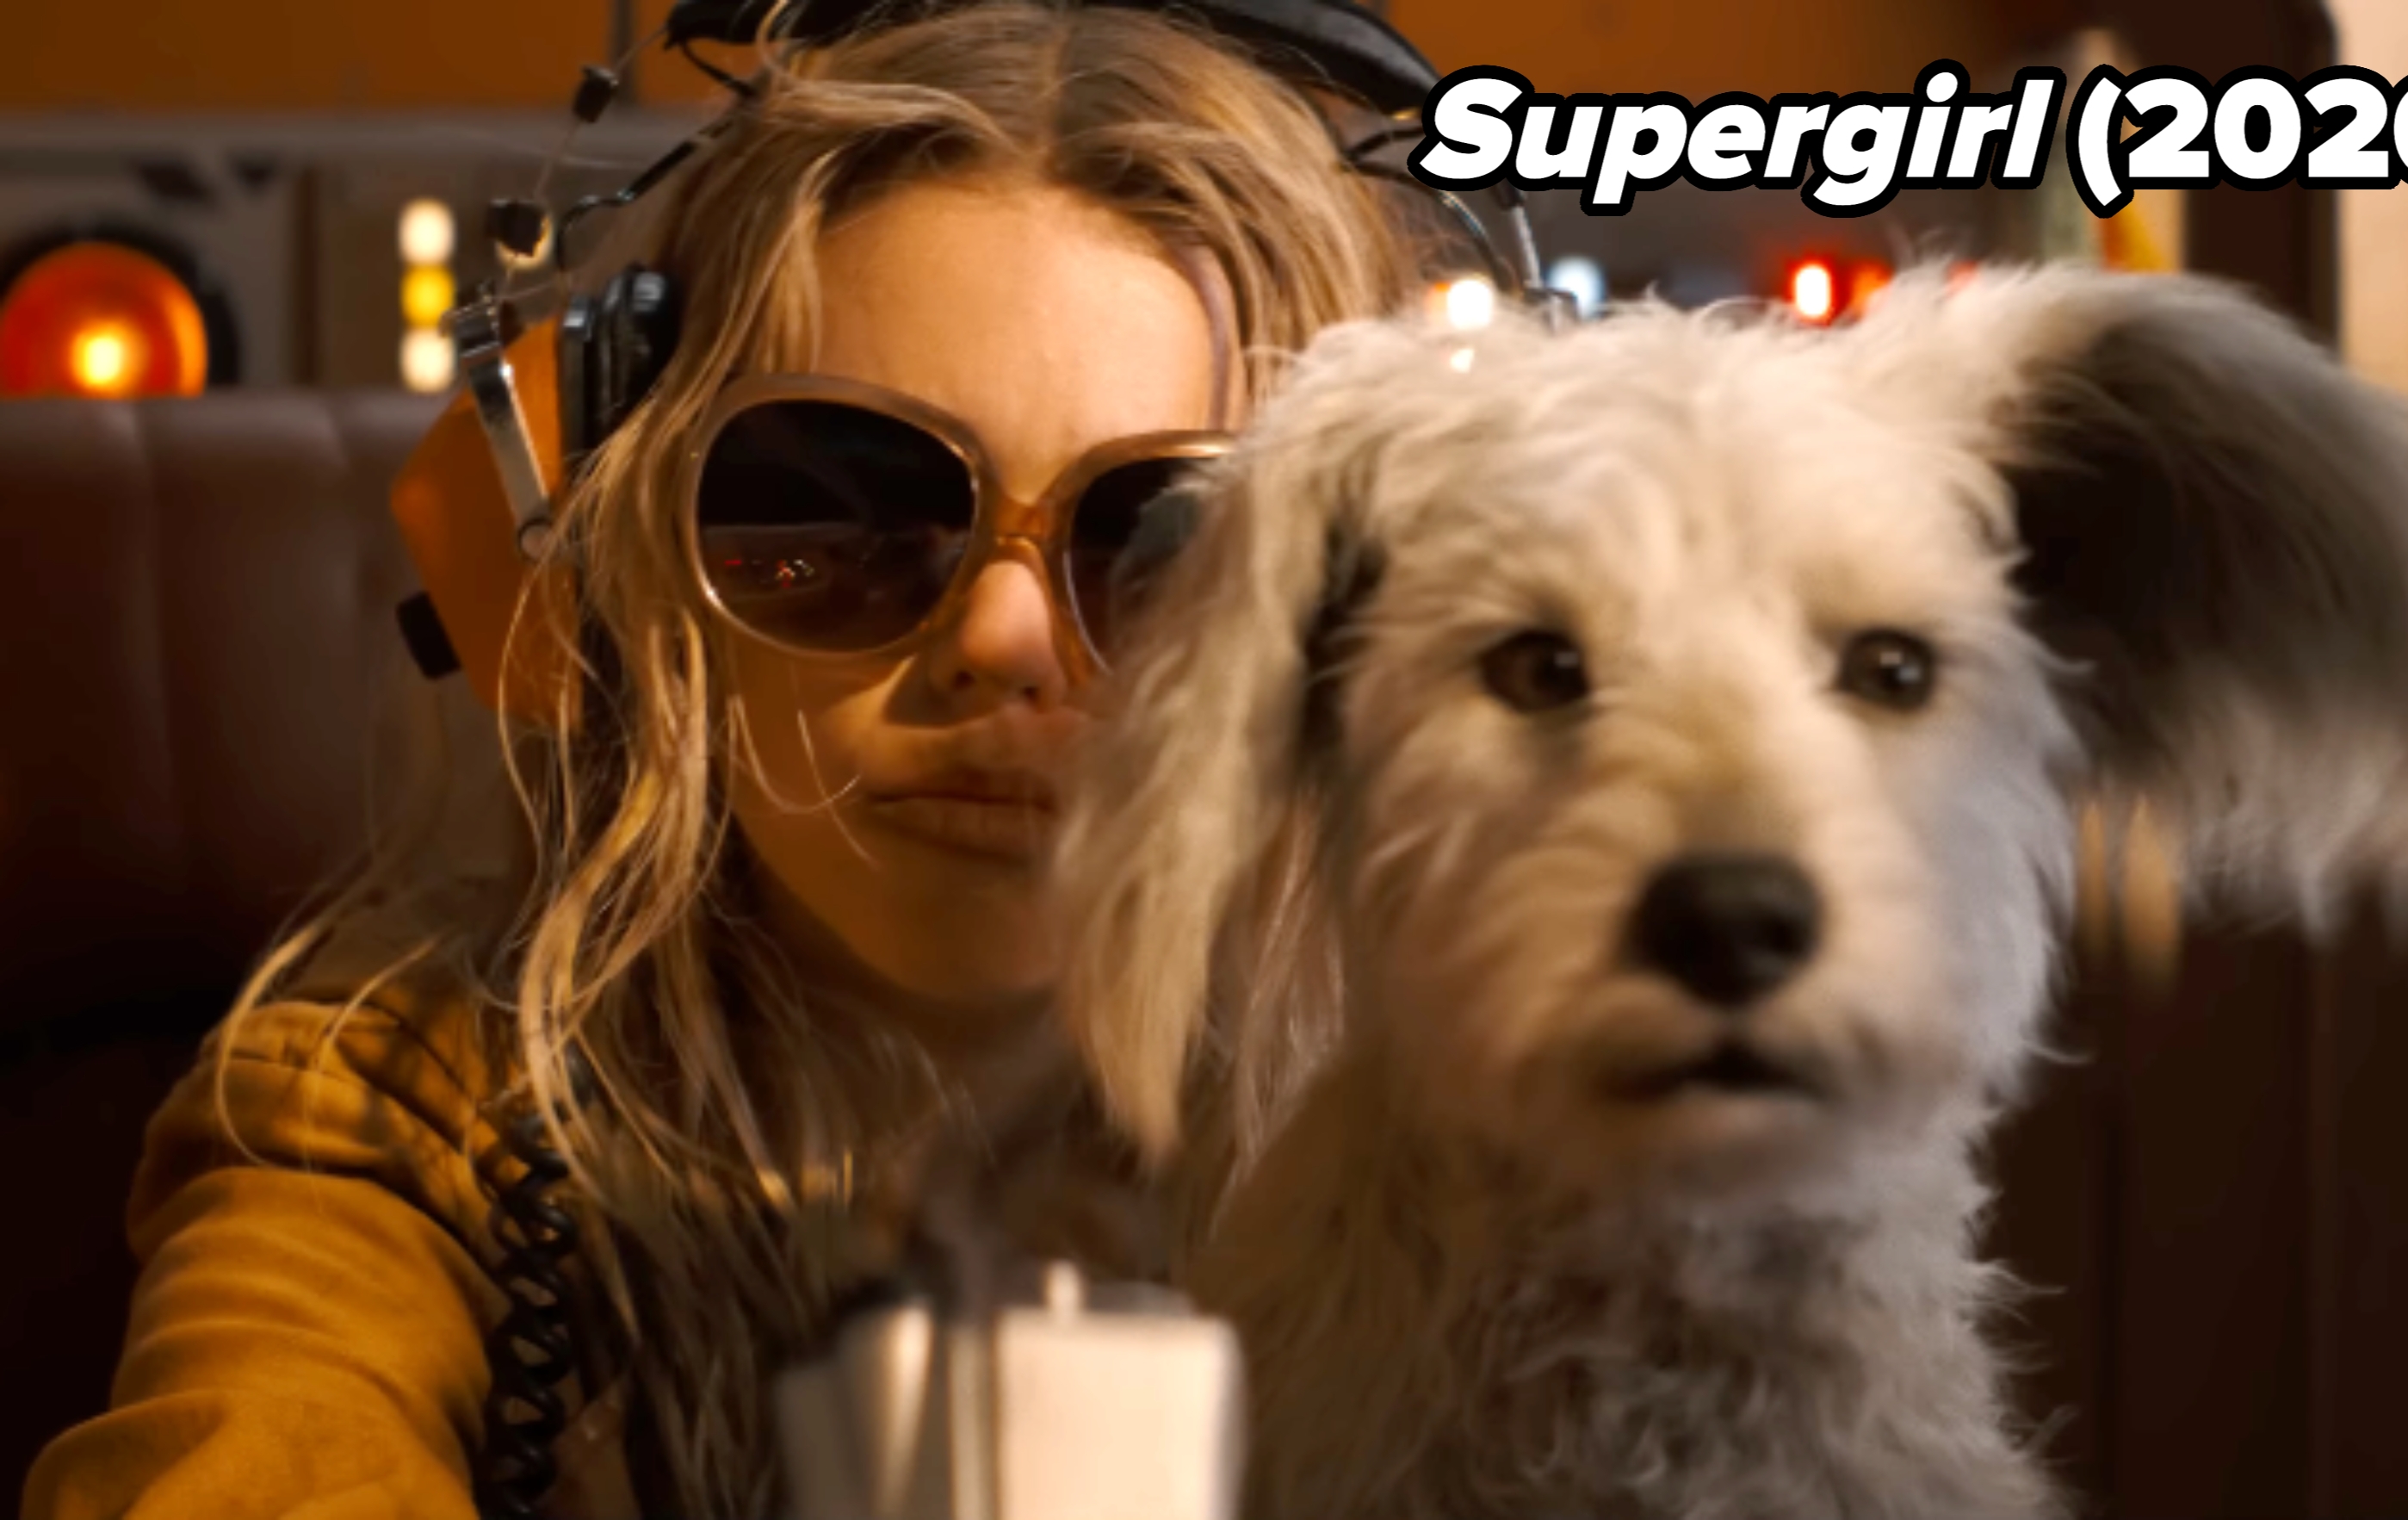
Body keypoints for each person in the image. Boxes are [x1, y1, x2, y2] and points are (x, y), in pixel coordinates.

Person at [21, 6, 1415, 1517]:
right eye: (842, 511)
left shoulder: (1472, 1125)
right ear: (593, 561)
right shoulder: (388, 1113)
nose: (1003, 638)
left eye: (1162, 547)